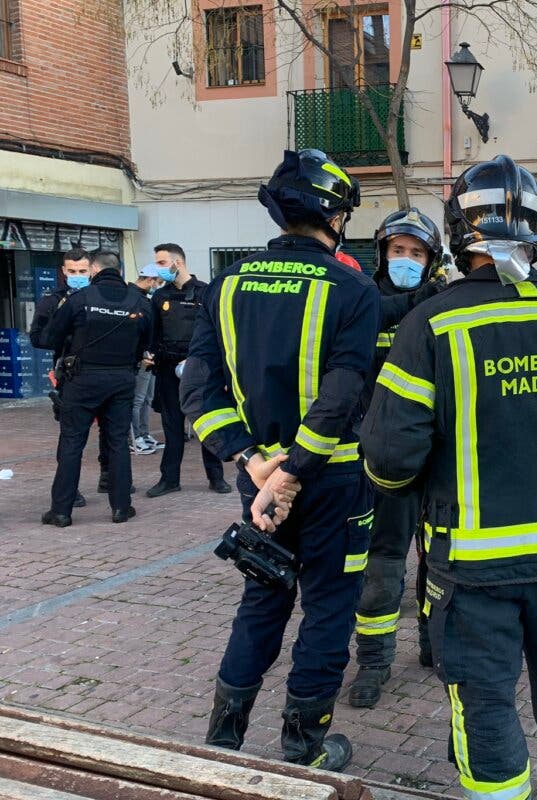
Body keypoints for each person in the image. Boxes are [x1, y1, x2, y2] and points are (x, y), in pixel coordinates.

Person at [360, 154, 537, 800]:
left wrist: (415, 496)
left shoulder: (427, 324)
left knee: (484, 698)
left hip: (470, 565)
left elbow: (388, 457)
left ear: (458, 234)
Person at [181, 148, 379, 772]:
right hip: (333, 481)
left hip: (259, 483)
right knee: (328, 608)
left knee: (262, 601)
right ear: (337, 218)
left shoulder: (227, 284)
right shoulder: (352, 287)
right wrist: (294, 471)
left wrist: (253, 462)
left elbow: (198, 389)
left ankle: (223, 743)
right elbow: (345, 395)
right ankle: (305, 750)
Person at [345, 208, 445, 709]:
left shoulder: (443, 308)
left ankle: (433, 644)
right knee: (382, 566)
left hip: (437, 462)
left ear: (431, 261)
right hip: (382, 462)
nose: (406, 260)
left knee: (438, 562)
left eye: (417, 254)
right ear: (381, 251)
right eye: (398, 251)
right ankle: (374, 662)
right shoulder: (363, 301)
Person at [39, 250, 151, 527]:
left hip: (82, 380)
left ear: (95, 269)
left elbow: (50, 336)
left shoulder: (79, 300)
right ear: (119, 269)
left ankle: (62, 511)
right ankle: (121, 508)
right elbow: (148, 342)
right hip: (122, 379)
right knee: (117, 443)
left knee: (72, 443)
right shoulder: (139, 301)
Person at [146, 244, 230, 496]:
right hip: (168, 368)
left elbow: (219, 332)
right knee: (172, 427)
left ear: (178, 263)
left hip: (200, 369)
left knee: (207, 423)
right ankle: (169, 479)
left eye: (162, 263)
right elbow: (154, 333)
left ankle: (216, 477)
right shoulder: (160, 297)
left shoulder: (206, 292)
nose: (158, 269)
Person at [28, 248, 108, 508]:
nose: (77, 276)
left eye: (82, 271)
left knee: (112, 432)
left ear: (92, 270)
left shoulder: (103, 296)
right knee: (72, 436)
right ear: (63, 271)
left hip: (104, 371)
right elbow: (38, 337)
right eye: (72, 271)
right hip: (70, 375)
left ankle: (110, 478)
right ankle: (68, 490)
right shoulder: (52, 300)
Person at [129, 265, 163, 455]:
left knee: (147, 398)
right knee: (138, 399)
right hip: (142, 356)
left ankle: (144, 433)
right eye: (157, 283)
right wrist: (143, 353)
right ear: (150, 280)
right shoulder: (134, 298)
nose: (157, 286)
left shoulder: (143, 299)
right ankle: (135, 438)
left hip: (151, 355)